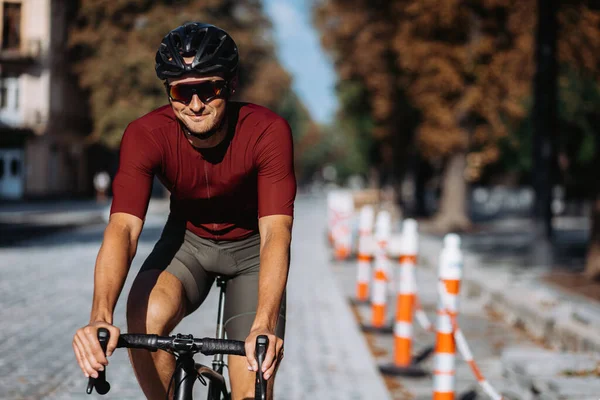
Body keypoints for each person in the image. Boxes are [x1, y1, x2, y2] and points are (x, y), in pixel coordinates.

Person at [72, 22, 296, 400]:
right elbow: (124, 229)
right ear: (168, 92)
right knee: (144, 319)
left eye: (209, 89)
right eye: (182, 91)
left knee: (253, 382)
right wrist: (100, 316)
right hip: (187, 243)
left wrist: (264, 323)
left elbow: (276, 232)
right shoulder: (146, 135)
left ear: (231, 84)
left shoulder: (267, 132)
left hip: (251, 253)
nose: (196, 104)